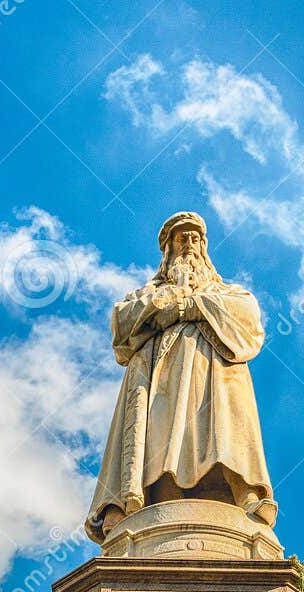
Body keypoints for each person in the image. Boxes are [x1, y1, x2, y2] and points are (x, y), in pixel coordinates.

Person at [85, 211, 277, 541]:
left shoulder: (230, 293)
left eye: (195, 238)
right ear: (168, 249)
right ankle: (163, 499)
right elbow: (123, 326)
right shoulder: (144, 294)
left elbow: (247, 320)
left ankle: (246, 494)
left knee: (226, 430)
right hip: (158, 375)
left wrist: (187, 307)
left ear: (204, 246)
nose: (189, 243)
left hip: (215, 373)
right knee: (160, 432)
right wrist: (174, 301)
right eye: (181, 237)